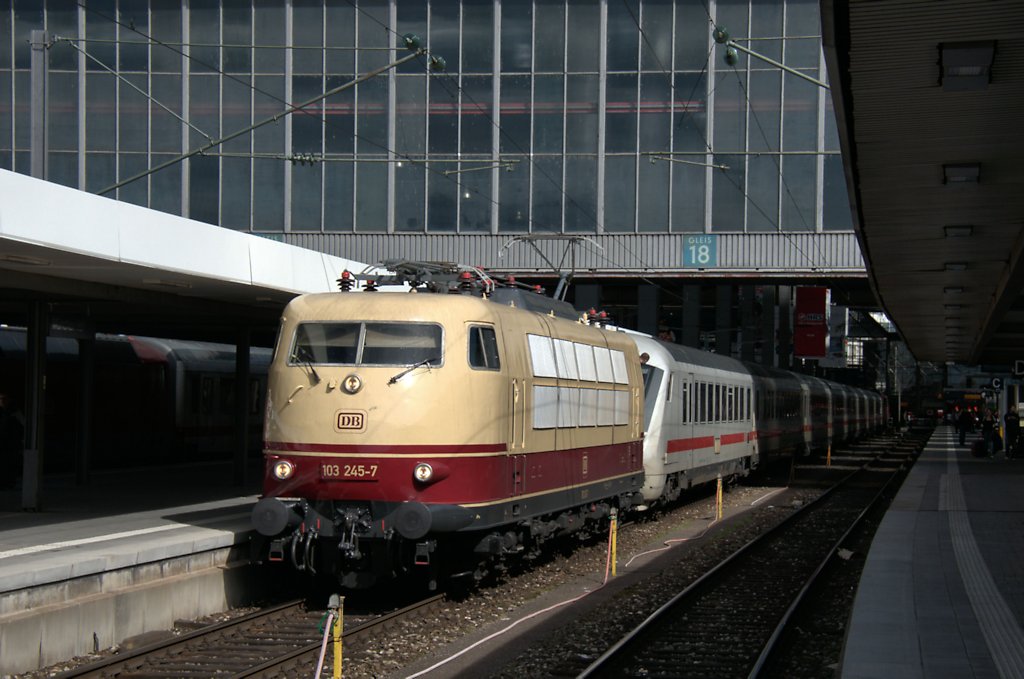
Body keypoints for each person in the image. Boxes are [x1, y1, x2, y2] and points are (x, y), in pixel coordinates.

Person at [0, 392, 25, 489]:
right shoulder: (6, 413)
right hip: (5, 444)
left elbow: (23, 425)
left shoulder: (14, 413)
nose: (2, 401)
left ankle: (8, 483)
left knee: (10, 465)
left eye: (4, 398)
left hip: (11, 444)